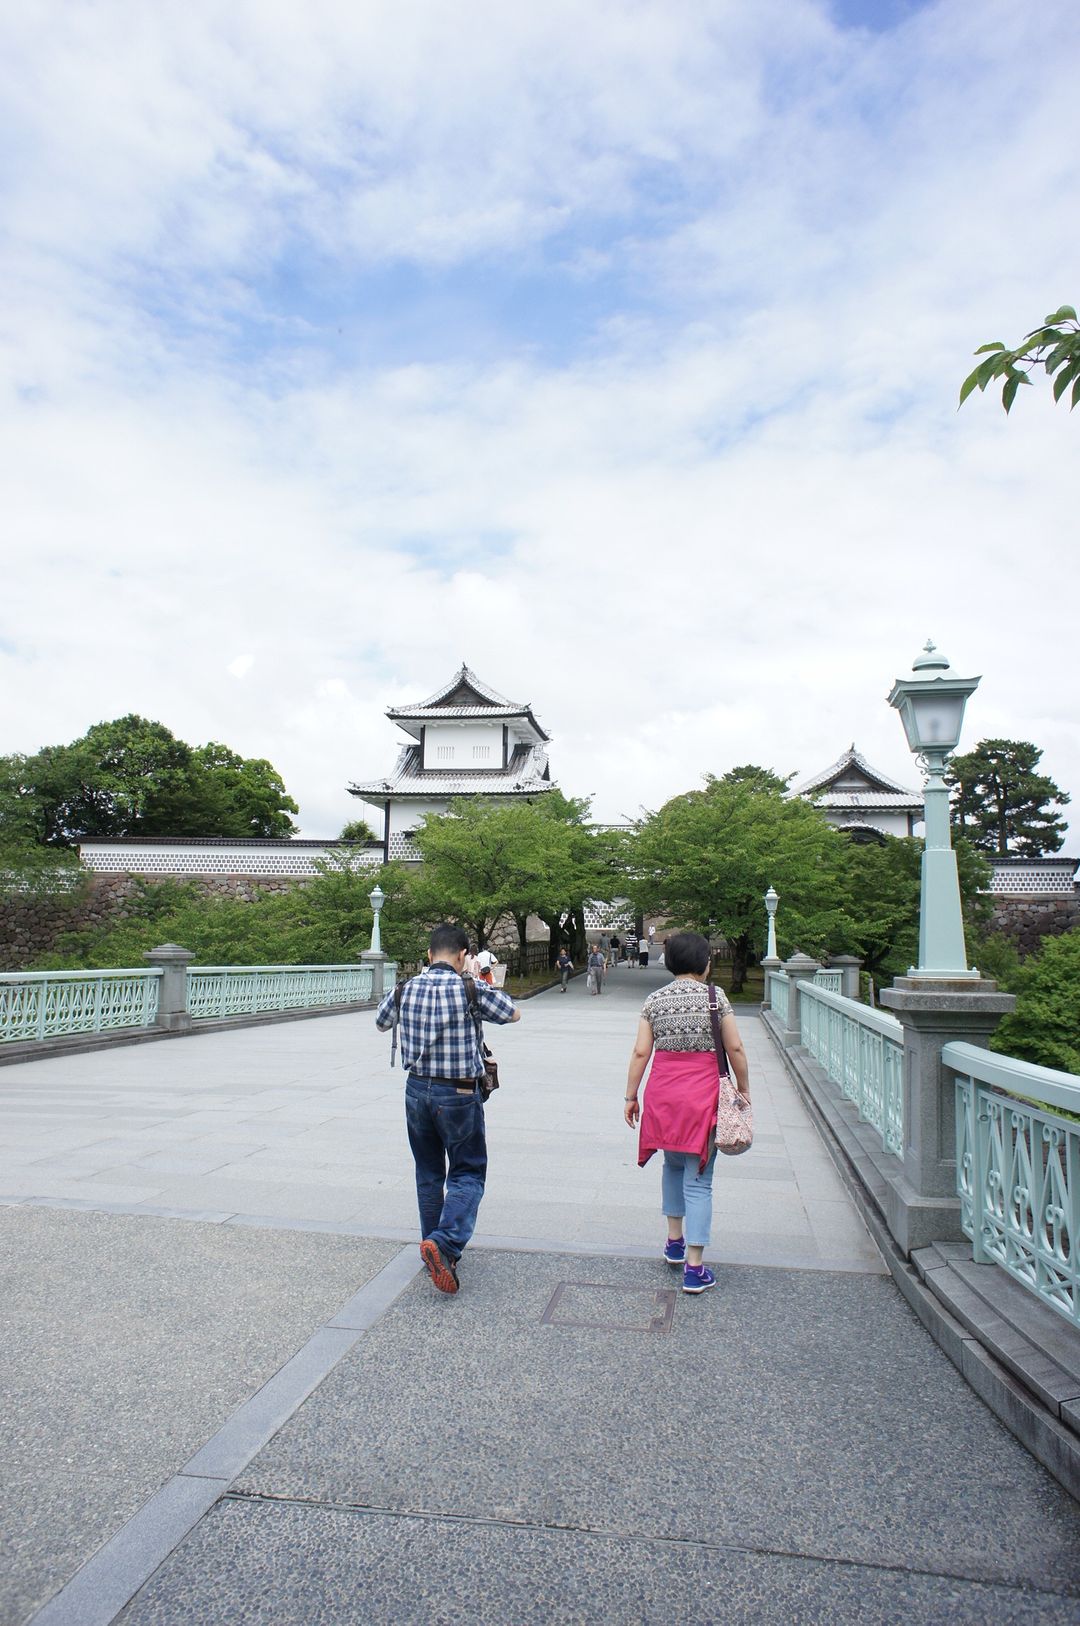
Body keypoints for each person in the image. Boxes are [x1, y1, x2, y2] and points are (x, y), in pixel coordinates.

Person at [376, 923, 520, 1294]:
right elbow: (512, 1013)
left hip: (416, 1091)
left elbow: (381, 1022)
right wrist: (476, 978)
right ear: (462, 956)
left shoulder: (405, 987)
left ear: (428, 955)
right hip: (457, 1094)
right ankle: (444, 1243)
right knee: (468, 1172)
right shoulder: (469, 986)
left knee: (428, 1174)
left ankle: (434, 1250)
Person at [623, 931, 750, 1295]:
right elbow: (736, 1048)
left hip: (664, 1096)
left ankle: (674, 1242)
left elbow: (640, 1053)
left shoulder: (655, 1000)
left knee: (673, 1166)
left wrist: (630, 1096)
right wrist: (744, 1089)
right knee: (699, 1178)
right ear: (705, 963)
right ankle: (694, 1269)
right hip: (702, 1099)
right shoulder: (716, 998)